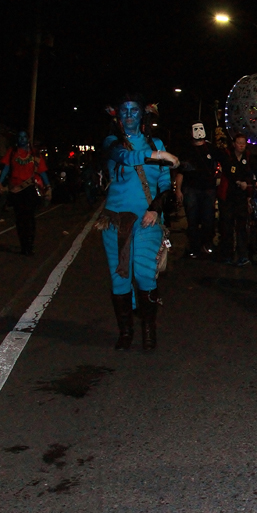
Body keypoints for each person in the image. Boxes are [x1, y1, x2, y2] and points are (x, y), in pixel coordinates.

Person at [99, 94, 178, 351]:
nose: (130, 115)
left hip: (148, 218)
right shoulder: (112, 143)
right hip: (115, 221)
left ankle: (148, 329)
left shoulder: (156, 141)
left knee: (144, 273)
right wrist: (160, 155)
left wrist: (155, 209)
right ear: (118, 117)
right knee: (120, 276)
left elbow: (165, 185)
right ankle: (125, 331)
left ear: (142, 115)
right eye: (125, 111)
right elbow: (125, 158)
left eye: (134, 110)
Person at [0, 130, 51, 256]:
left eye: (24, 137)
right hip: (16, 190)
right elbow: (6, 168)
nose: (22, 139)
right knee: (20, 219)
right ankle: (23, 245)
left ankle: (30, 245)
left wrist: (48, 186)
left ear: (28, 139)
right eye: (20, 137)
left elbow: (42, 172)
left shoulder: (35, 154)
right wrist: (0, 183)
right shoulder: (12, 152)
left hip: (29, 189)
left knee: (29, 218)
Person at [175, 123, 218, 259]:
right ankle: (194, 247)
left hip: (208, 189)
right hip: (191, 189)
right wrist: (178, 190)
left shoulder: (211, 148)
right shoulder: (187, 150)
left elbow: (220, 164)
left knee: (208, 219)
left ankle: (206, 245)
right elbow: (181, 172)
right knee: (192, 220)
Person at [218, 133, 257, 266]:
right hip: (228, 195)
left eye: (243, 143)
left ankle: (243, 255)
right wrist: (238, 181)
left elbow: (255, 169)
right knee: (227, 226)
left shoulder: (248, 157)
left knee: (242, 226)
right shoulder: (226, 155)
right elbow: (227, 171)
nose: (241, 145)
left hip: (241, 197)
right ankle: (227, 255)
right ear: (234, 144)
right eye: (239, 143)